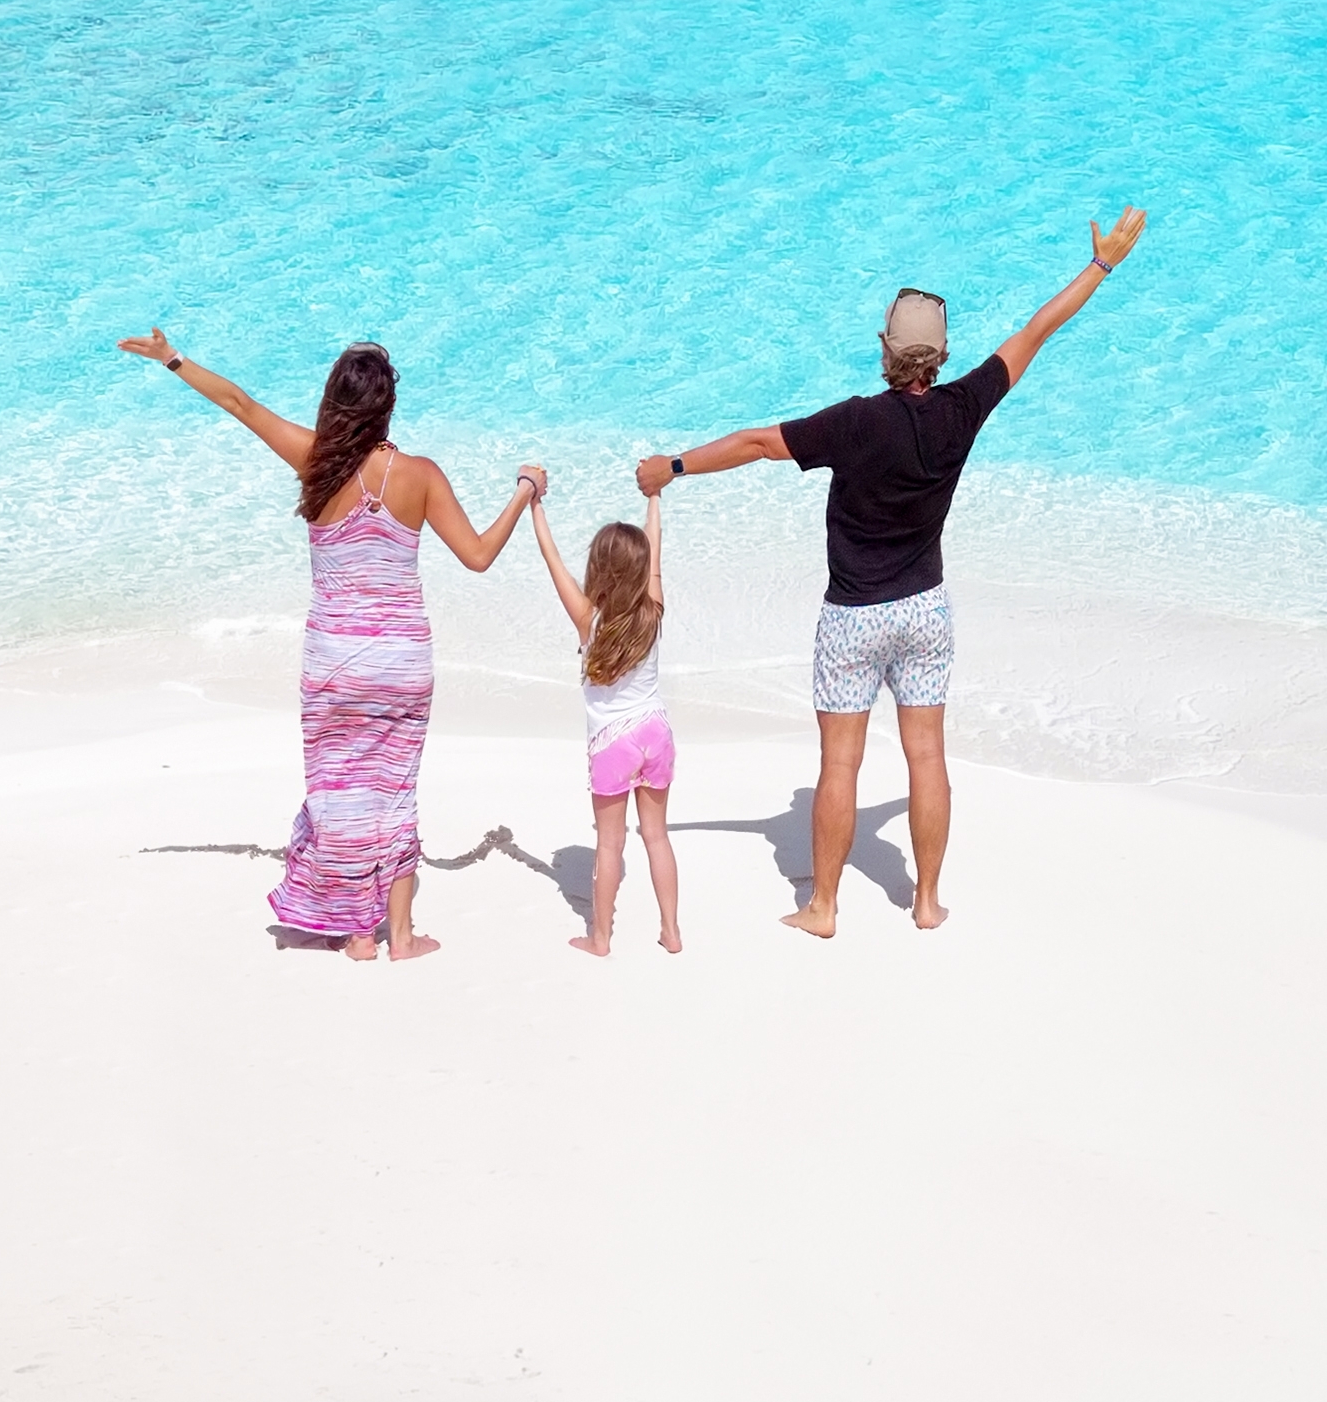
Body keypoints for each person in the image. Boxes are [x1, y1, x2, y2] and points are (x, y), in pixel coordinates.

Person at [636, 208, 1147, 942]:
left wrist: (674, 467)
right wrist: (1101, 265)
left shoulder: (853, 422)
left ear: (885, 348)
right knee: (927, 755)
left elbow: (755, 443)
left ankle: (823, 907)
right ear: (942, 356)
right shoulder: (964, 408)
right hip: (925, 612)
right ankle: (927, 900)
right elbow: (1038, 330)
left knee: (839, 763)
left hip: (853, 617)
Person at [121, 325, 539, 960]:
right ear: (388, 405)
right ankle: (401, 936)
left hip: (334, 661)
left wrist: (173, 358)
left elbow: (239, 403)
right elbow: (479, 555)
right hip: (400, 662)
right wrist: (525, 490)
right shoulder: (420, 475)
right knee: (394, 789)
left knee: (340, 792)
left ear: (334, 400)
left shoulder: (316, 460)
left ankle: (357, 932)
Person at [526, 482, 683, 957]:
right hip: (656, 733)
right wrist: (654, 496)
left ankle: (600, 937)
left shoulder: (587, 619)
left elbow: (552, 558)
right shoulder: (653, 611)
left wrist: (535, 506)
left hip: (613, 744)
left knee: (610, 845)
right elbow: (655, 550)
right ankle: (671, 931)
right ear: (642, 570)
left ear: (596, 567)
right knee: (656, 836)